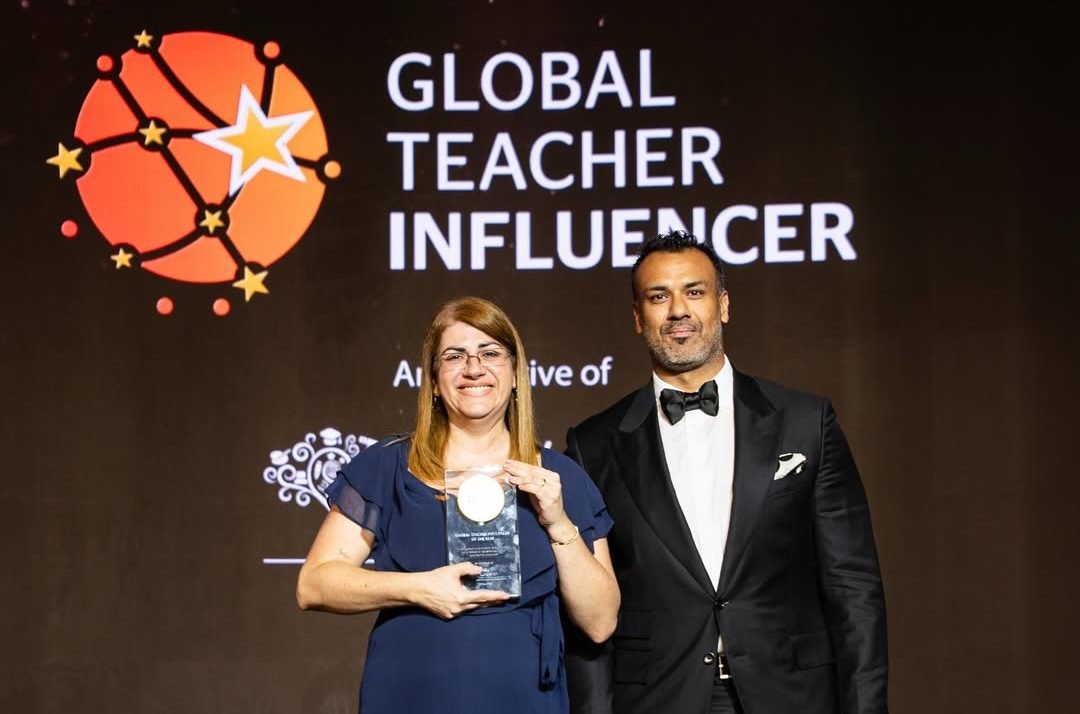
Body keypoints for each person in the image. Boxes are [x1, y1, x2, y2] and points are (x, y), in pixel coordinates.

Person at [564, 231, 888, 714]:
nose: (678, 310)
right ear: (637, 317)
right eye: (659, 296)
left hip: (792, 696)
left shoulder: (805, 423)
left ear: (724, 305)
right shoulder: (593, 446)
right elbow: (586, 615)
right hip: (658, 700)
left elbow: (853, 586)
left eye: (694, 292)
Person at [297, 296, 620, 714]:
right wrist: (417, 589)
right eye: (454, 356)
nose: (474, 368)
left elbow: (600, 623)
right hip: (409, 697)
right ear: (434, 380)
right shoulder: (388, 467)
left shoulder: (559, 479)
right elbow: (314, 584)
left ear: (516, 374)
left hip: (523, 700)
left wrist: (558, 523)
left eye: (490, 353)